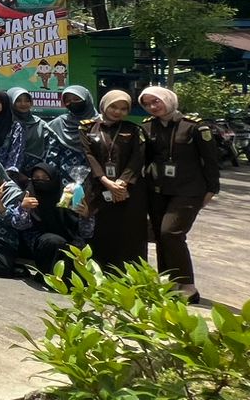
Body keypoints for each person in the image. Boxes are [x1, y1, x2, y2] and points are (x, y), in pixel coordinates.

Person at [139, 84, 217, 303]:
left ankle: (188, 286)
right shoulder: (147, 127)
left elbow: (211, 160)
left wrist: (212, 189)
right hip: (158, 190)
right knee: (160, 235)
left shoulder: (194, 126)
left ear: (168, 99)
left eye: (156, 101)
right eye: (147, 104)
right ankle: (170, 282)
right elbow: (144, 158)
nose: (153, 107)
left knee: (171, 233)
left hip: (188, 190)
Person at [80, 89, 149, 270]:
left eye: (123, 108)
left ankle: (132, 274)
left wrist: (122, 183)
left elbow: (138, 157)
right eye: (113, 107)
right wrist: (106, 181)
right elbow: (89, 156)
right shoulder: (87, 128)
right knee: (103, 230)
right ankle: (101, 273)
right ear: (104, 106)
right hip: (100, 188)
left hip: (128, 190)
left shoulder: (134, 130)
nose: (118, 111)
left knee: (130, 232)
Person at [43, 86, 99, 186]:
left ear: (87, 99)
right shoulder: (59, 123)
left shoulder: (100, 123)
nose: (72, 103)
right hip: (65, 178)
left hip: (96, 176)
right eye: (68, 101)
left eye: (76, 99)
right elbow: (51, 154)